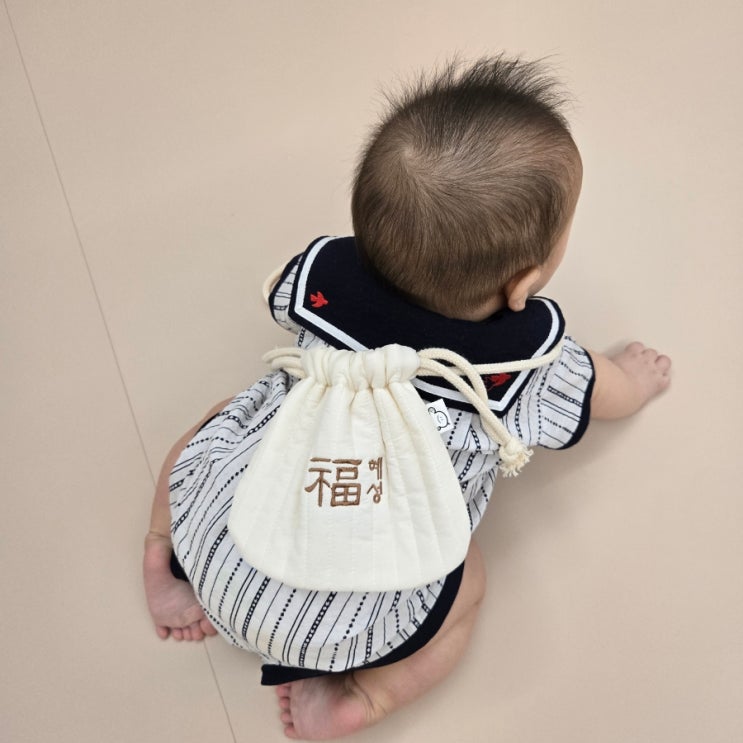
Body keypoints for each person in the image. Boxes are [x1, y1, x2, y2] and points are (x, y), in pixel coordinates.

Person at [143, 56, 671, 740]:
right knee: (467, 582)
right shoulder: (526, 364)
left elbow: (281, 298)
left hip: (218, 549)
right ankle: (362, 696)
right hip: (345, 630)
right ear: (523, 282)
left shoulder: (325, 282)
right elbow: (604, 393)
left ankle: (163, 554)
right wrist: (634, 378)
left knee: (220, 422)